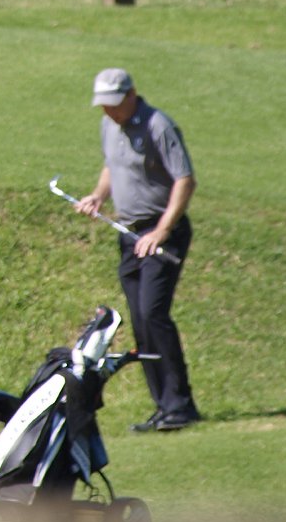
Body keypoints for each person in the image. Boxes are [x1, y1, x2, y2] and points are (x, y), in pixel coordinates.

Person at [74, 68, 199, 432]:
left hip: (161, 233)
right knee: (141, 319)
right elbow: (113, 166)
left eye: (114, 104)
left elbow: (185, 180)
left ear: (132, 95)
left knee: (153, 312)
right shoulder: (109, 125)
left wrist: (162, 230)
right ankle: (164, 407)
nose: (108, 111)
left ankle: (180, 405)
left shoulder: (159, 126)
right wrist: (98, 195)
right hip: (128, 234)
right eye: (104, 106)